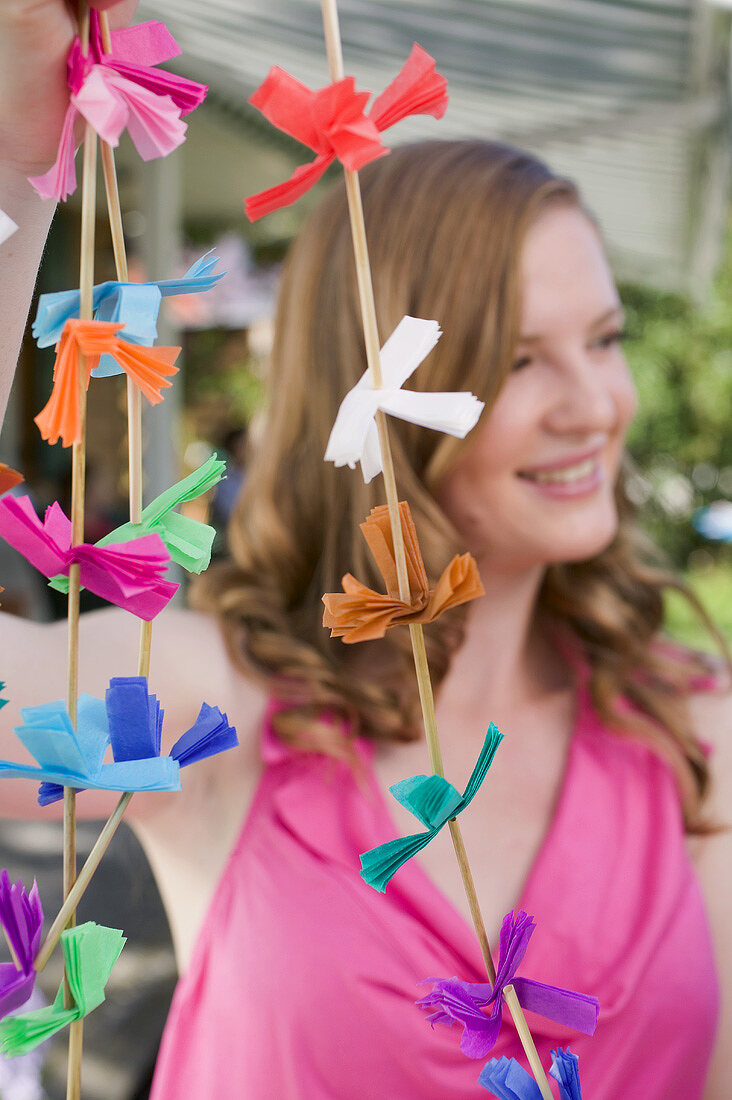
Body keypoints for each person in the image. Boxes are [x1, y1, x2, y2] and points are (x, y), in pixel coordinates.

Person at [0, 4, 730, 1098]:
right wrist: (18, 141)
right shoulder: (220, 711)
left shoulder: (691, 734)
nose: (596, 403)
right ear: (375, 395)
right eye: (521, 358)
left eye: (606, 339)